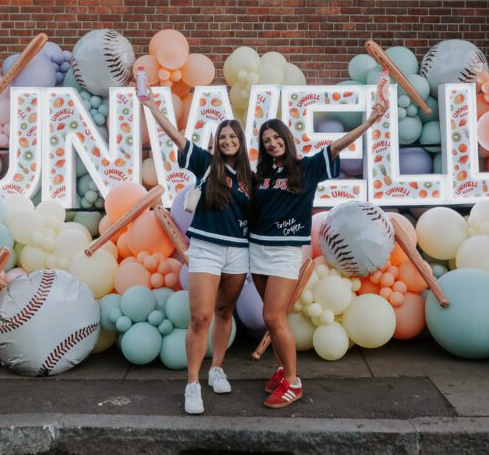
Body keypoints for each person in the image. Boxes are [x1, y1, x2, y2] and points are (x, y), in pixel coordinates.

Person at [251, 97, 388, 408]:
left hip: (285, 252)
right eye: (266, 140)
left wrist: (369, 122)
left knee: (273, 316)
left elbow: (337, 147)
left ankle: (293, 383)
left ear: (286, 139)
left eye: (277, 137)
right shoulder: (260, 175)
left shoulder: (306, 168)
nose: (272, 143)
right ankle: (283, 370)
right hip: (256, 250)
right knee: (272, 319)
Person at [141, 96, 254, 415]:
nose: (228, 141)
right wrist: (151, 106)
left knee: (225, 311)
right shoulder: (206, 163)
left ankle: (216, 368)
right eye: (223, 137)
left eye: (233, 136)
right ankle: (192, 384)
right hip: (205, 248)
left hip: (238, 251)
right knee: (200, 317)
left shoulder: (250, 177)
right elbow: (175, 136)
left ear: (240, 141)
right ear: (216, 143)